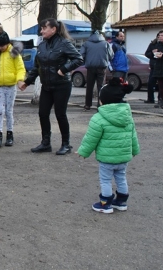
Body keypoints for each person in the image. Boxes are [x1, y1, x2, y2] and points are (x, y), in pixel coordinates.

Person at [76, 77, 140, 213]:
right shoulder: (128, 117)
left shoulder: (98, 118)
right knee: (121, 177)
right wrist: (135, 150)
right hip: (123, 157)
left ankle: (105, 204)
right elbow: (133, 135)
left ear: (103, 100)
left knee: (105, 180)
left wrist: (84, 152)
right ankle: (121, 202)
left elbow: (91, 138)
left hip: (106, 158)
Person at [20, 19, 83, 155]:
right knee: (43, 113)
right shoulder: (42, 46)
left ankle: (66, 144)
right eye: (41, 28)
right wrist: (27, 81)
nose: (41, 31)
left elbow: (79, 59)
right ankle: (45, 143)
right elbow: (38, 66)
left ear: (53, 29)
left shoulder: (64, 43)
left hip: (62, 85)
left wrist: (64, 69)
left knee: (60, 114)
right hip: (47, 86)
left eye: (44, 28)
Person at [80, 30, 113, 110]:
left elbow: (81, 55)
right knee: (101, 86)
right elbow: (111, 55)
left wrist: (86, 62)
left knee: (89, 86)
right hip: (102, 67)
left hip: (90, 67)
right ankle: (100, 104)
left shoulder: (86, 44)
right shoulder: (106, 43)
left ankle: (88, 104)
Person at [144, 35, 160, 104]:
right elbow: (147, 54)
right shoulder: (153, 44)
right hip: (153, 66)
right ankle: (150, 99)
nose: (160, 37)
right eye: (159, 36)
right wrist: (152, 53)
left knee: (161, 84)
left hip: (162, 67)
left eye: (162, 36)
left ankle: (161, 99)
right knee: (150, 83)